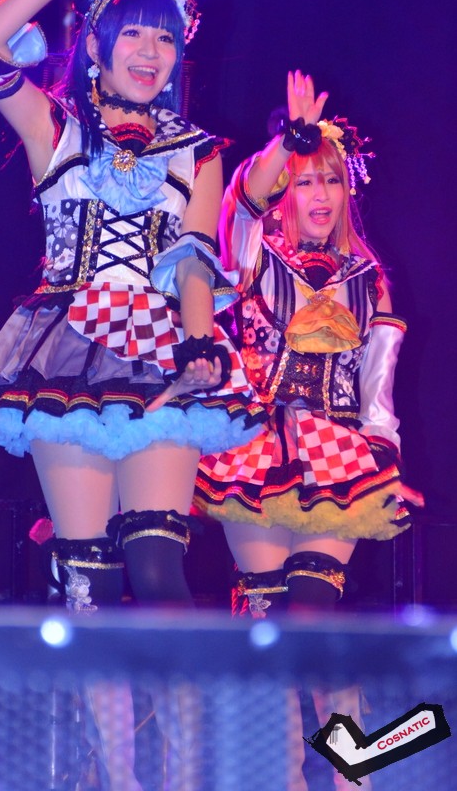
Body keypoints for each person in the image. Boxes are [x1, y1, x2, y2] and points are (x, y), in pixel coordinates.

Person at [0, 0, 263, 789]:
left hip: (159, 354)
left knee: (159, 565)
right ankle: (117, 780)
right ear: (96, 46)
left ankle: (186, 774)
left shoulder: (197, 151)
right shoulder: (57, 130)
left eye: (164, 38)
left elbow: (193, 256)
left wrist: (198, 347)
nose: (150, 52)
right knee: (88, 579)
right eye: (133, 35)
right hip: (65, 354)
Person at [194, 69, 423, 789]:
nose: (319, 195)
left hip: (339, 456)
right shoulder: (252, 252)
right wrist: (286, 143)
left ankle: (353, 775)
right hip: (255, 451)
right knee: (266, 625)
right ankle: (282, 777)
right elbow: (241, 197)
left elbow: (378, 391)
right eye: (304, 181)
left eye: (330, 180)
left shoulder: (370, 278)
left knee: (315, 616)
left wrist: (385, 462)